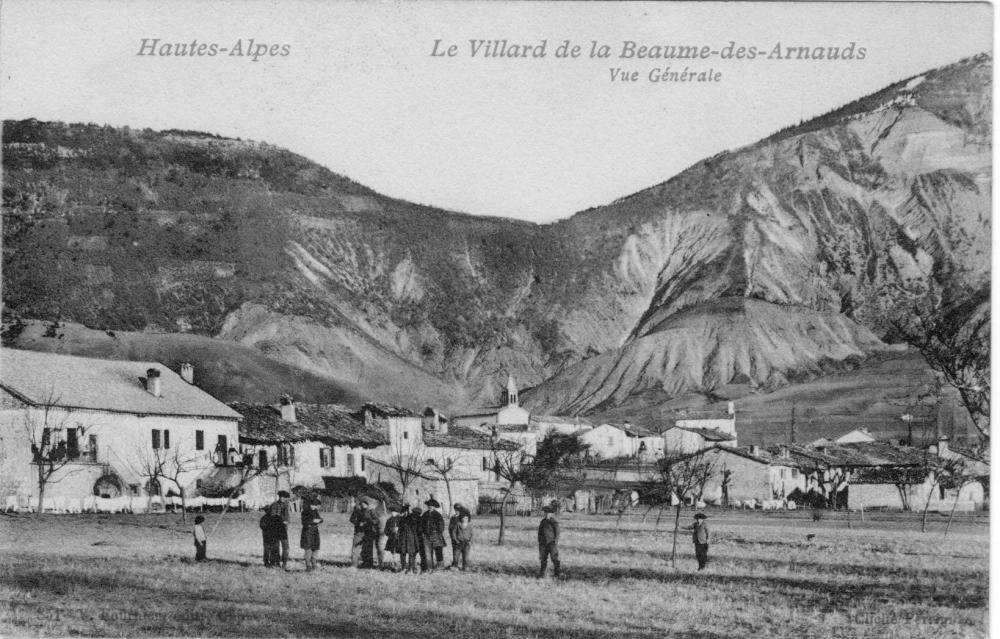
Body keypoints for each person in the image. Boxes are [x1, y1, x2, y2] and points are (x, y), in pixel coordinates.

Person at [267, 490, 292, 570]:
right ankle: (274, 564)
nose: (283, 499)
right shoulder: (274, 505)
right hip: (275, 529)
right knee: (275, 547)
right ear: (279, 497)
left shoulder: (286, 506)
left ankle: (284, 564)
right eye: (282, 497)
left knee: (286, 548)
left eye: (285, 497)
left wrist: (287, 522)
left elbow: (288, 518)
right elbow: (273, 517)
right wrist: (282, 521)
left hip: (283, 530)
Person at [350, 497, 377, 568]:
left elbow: (376, 520)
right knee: (355, 548)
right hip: (358, 532)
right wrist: (358, 523)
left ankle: (368, 564)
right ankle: (354, 565)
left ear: (368, 504)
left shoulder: (371, 511)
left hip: (368, 532)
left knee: (368, 549)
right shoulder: (357, 511)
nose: (363, 505)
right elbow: (352, 519)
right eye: (362, 503)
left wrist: (368, 522)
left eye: (365, 504)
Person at [421, 499, 446, 572]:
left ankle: (440, 567)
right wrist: (423, 532)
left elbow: (441, 526)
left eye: (432, 506)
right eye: (429, 506)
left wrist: (437, 532)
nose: (430, 507)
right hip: (426, 536)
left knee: (438, 551)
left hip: (436, 535)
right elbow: (421, 524)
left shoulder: (438, 515)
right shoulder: (425, 515)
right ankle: (429, 567)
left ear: (434, 507)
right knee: (427, 552)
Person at [300, 496, 323, 572]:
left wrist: (319, 520)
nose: (314, 507)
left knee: (315, 548)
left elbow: (320, 519)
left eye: (316, 505)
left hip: (315, 532)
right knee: (308, 549)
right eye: (313, 505)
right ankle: (308, 566)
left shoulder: (315, 511)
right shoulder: (305, 511)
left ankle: (314, 564)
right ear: (310, 504)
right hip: (307, 532)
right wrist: (313, 521)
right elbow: (304, 522)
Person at [537, 504, 560, 578]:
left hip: (551, 543)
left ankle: (557, 574)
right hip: (543, 544)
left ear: (552, 514)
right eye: (545, 513)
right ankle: (542, 574)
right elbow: (539, 532)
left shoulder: (554, 522)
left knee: (554, 558)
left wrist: (555, 541)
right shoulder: (543, 522)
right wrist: (539, 541)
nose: (546, 515)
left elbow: (557, 532)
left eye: (548, 513)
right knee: (543, 559)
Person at [398, 504, 422, 574]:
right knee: (402, 553)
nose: (404, 513)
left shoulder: (414, 518)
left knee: (412, 554)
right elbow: (399, 527)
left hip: (412, 539)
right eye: (403, 512)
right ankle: (403, 568)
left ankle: (411, 568)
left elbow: (417, 528)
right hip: (403, 539)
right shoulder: (402, 519)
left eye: (405, 511)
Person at [448, 503, 469, 569]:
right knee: (455, 552)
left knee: (463, 552)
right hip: (454, 537)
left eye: (458, 510)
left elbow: (465, 527)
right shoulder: (453, 517)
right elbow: (450, 527)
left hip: (461, 537)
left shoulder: (462, 517)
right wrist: (452, 535)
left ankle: (464, 565)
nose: (457, 511)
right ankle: (455, 564)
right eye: (456, 510)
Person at [383, 505, 401, 571]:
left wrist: (398, 530)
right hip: (391, 538)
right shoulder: (389, 520)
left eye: (395, 512)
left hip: (399, 538)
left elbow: (404, 528)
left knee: (398, 552)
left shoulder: (400, 519)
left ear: (397, 512)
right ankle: (392, 565)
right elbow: (385, 531)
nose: (393, 513)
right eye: (392, 511)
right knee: (392, 552)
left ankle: (398, 565)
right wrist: (391, 531)